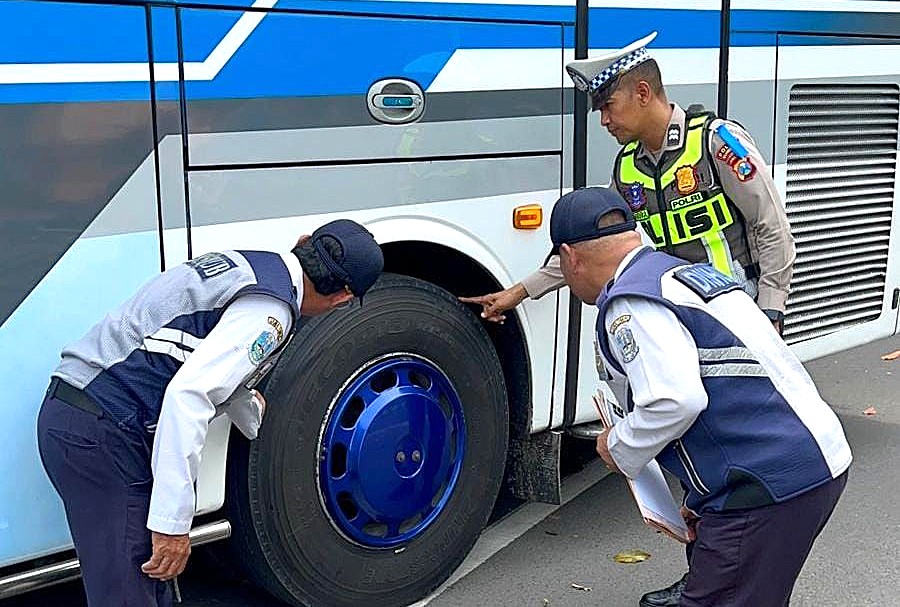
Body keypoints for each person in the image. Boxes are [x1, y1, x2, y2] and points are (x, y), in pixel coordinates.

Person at [37, 219, 384, 607]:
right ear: (342, 298)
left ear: (303, 242)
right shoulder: (271, 311)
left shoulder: (247, 266)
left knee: (148, 586)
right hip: (101, 431)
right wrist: (173, 525)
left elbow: (195, 355)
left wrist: (249, 406)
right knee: (133, 590)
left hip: (78, 414)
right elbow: (188, 397)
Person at [550, 186, 851, 607]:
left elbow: (676, 401)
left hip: (766, 483)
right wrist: (704, 496)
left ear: (570, 256)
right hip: (810, 464)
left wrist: (617, 447)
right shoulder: (678, 275)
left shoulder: (630, 303)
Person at [463, 31, 795, 336]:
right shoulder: (628, 168)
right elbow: (590, 244)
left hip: (738, 313)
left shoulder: (716, 142)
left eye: (609, 107)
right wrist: (518, 293)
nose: (605, 120)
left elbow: (771, 225)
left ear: (642, 93)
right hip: (681, 316)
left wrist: (770, 311)